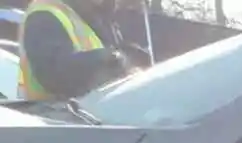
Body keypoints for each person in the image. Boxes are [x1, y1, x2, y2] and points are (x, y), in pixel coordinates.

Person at [17, 0, 146, 102]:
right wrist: (112, 61)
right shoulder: (44, 13)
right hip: (54, 123)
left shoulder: (92, 14)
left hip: (90, 121)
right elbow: (54, 72)